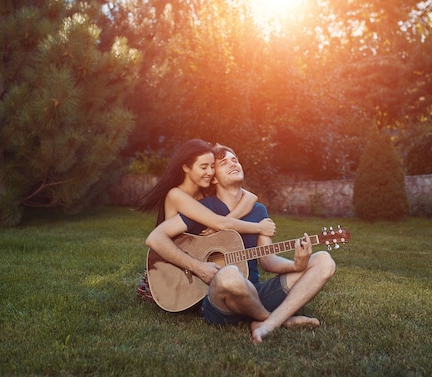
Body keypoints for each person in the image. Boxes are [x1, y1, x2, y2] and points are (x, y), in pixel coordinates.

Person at [145, 144, 336, 343]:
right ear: (215, 178)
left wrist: (296, 265)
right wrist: (199, 267)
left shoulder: (258, 209)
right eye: (224, 162)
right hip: (221, 299)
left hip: (255, 291)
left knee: (324, 260)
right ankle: (276, 319)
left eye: (235, 159)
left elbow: (268, 260)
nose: (232, 163)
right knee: (229, 275)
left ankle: (264, 322)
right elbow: (157, 237)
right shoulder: (204, 208)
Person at [139, 138, 275, 234]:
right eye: (204, 167)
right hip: (174, 263)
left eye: (212, 166)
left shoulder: (204, 193)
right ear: (186, 168)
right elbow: (220, 223)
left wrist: (222, 224)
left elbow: (250, 197)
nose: (210, 172)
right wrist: (260, 228)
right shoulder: (176, 195)